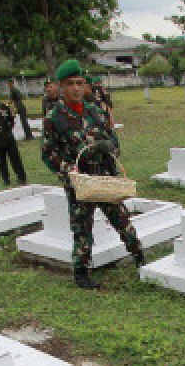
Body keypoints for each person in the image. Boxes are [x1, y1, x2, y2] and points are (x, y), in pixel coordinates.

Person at [41, 59, 146, 290]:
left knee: (122, 220)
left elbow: (113, 139)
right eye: (70, 84)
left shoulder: (94, 110)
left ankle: (140, 257)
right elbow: (48, 153)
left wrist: (109, 147)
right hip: (80, 183)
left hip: (104, 178)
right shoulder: (54, 118)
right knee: (81, 228)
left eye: (80, 83)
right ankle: (81, 273)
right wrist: (70, 170)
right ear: (61, 87)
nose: (76, 88)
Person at [0, 85, 27, 186]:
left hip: (8, 137)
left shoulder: (5, 107)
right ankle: (6, 179)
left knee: (15, 159)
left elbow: (11, 121)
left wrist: (7, 130)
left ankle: (21, 177)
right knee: (1, 161)